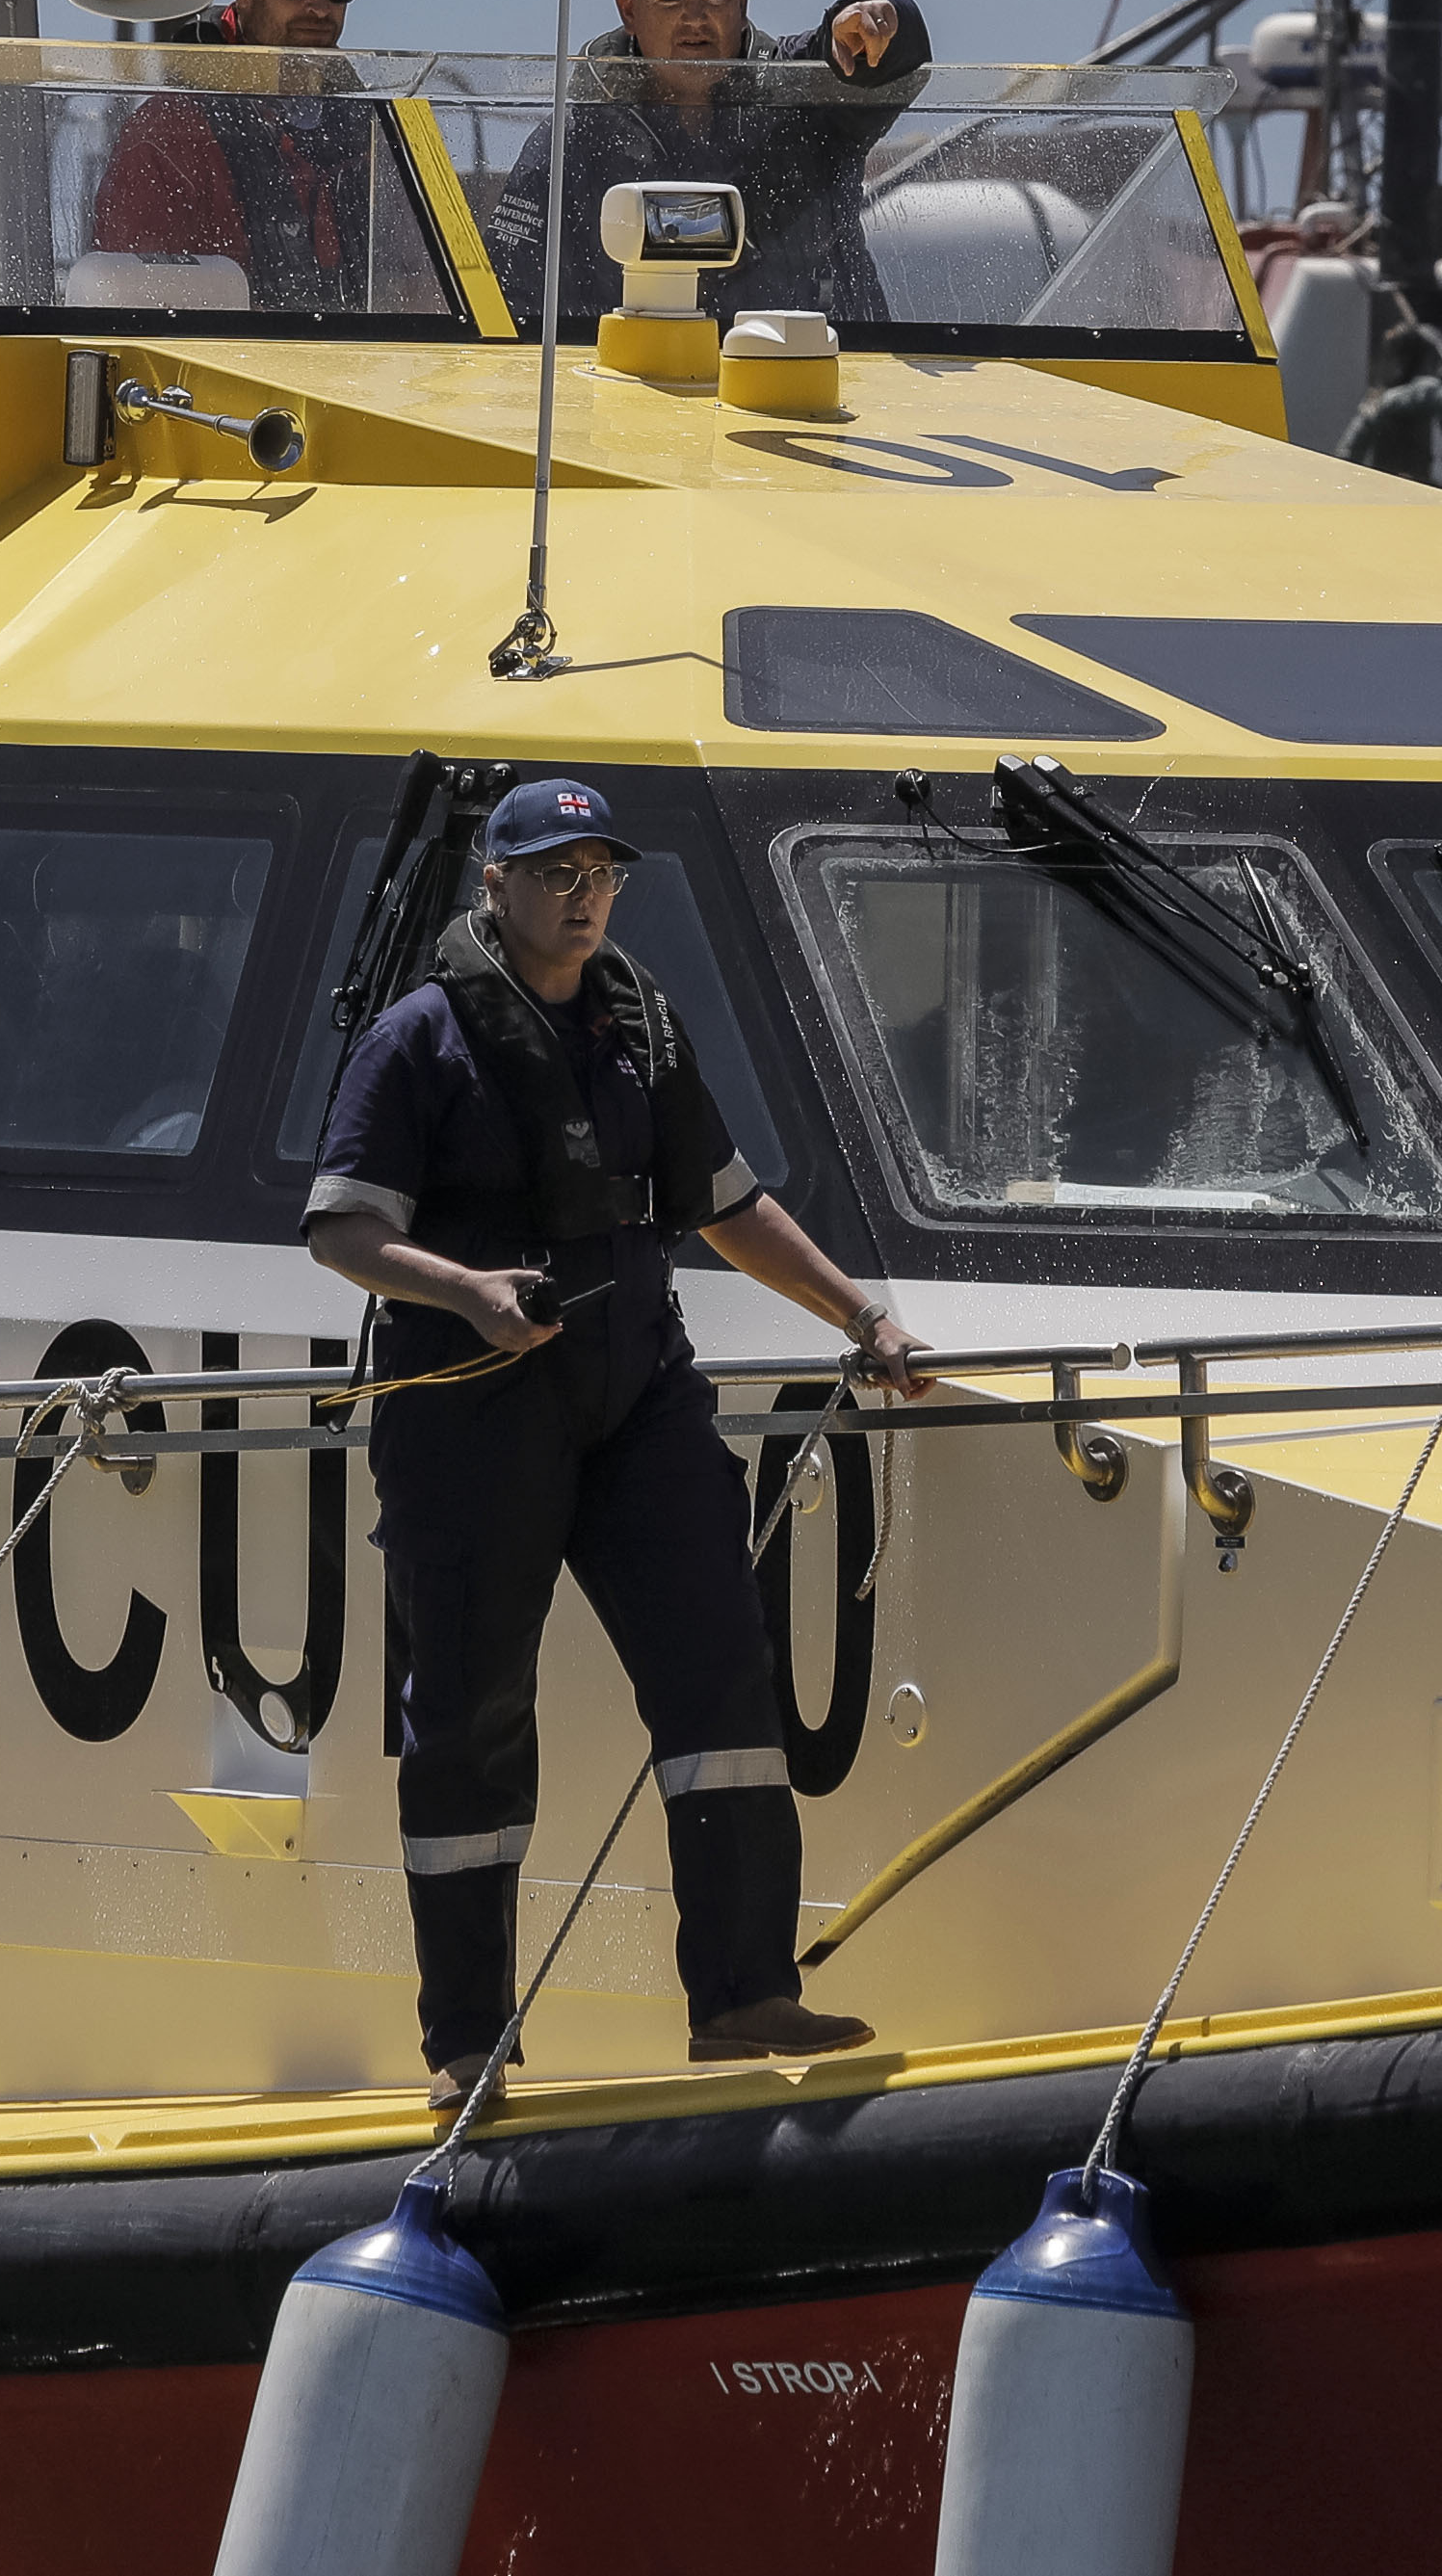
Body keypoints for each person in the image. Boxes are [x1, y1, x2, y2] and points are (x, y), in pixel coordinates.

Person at [306, 774, 931, 2114]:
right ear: (496, 883)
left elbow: (725, 1203)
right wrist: (468, 1288)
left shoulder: (639, 1025)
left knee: (720, 1670)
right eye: (555, 875)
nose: (584, 897)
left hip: (636, 1400)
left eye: (601, 875)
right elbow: (341, 1229)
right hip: (470, 1411)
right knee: (469, 1721)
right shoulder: (419, 1039)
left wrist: (862, 1314)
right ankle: (469, 2040)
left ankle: (743, 1992)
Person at [485, 0, 934, 327]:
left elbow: (884, 66)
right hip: (632, 393)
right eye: (672, 0)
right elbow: (510, 296)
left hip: (825, 384)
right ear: (629, 10)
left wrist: (879, 20)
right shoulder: (576, 138)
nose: (695, 19)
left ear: (743, 0)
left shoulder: (802, 101)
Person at [88, 0, 385, 305]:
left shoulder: (368, 127)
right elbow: (140, 304)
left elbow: (413, 280)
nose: (320, 6)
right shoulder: (170, 129)